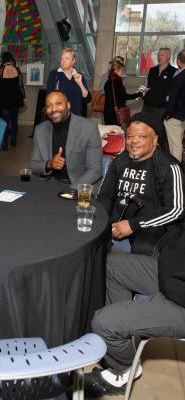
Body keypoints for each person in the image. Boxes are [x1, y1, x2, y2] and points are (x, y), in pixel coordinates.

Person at [85, 227, 185, 397]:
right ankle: (117, 340)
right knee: (110, 266)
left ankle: (125, 369)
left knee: (104, 323)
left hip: (180, 301)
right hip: (172, 273)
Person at [97, 112, 184, 256]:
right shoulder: (120, 160)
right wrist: (102, 220)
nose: (134, 141)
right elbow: (105, 195)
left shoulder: (169, 167)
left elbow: (176, 210)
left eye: (142, 136)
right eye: (130, 136)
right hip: (118, 221)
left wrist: (134, 224)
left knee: (144, 248)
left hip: (151, 224)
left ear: (155, 140)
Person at [30, 90, 102, 188]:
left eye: (58, 103)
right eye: (48, 106)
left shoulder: (88, 128)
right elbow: (33, 165)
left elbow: (95, 170)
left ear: (68, 105)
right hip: (49, 183)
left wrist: (70, 190)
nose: (53, 109)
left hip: (79, 184)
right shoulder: (40, 130)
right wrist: (49, 164)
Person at [0, 51, 26, 150]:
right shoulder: (17, 70)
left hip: (4, 100)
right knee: (14, 121)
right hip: (15, 100)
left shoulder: (0, 70)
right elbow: (21, 85)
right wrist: (24, 96)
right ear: (11, 59)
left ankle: (5, 143)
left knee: (5, 122)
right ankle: (14, 140)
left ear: (3, 60)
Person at [46, 48, 91, 117]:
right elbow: (49, 96)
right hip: (60, 117)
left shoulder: (79, 75)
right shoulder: (54, 74)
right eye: (62, 58)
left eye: (66, 58)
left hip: (77, 117)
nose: (63, 61)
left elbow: (87, 99)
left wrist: (80, 83)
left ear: (73, 61)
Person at [103, 59, 143, 125]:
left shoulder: (108, 82)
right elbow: (124, 96)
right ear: (117, 70)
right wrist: (139, 94)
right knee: (116, 133)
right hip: (116, 114)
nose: (122, 73)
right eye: (122, 70)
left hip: (108, 113)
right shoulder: (117, 81)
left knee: (109, 133)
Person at [142, 48, 176, 120]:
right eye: (158, 55)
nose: (159, 57)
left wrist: (166, 100)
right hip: (147, 105)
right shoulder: (152, 70)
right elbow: (146, 85)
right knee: (145, 127)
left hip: (161, 108)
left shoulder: (174, 72)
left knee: (158, 129)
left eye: (162, 55)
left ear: (168, 56)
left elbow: (174, 90)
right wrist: (144, 96)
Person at [163, 49, 185, 162]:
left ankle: (176, 171)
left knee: (175, 146)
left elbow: (172, 99)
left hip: (176, 116)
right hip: (183, 117)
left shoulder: (179, 78)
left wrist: (167, 115)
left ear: (179, 62)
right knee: (179, 142)